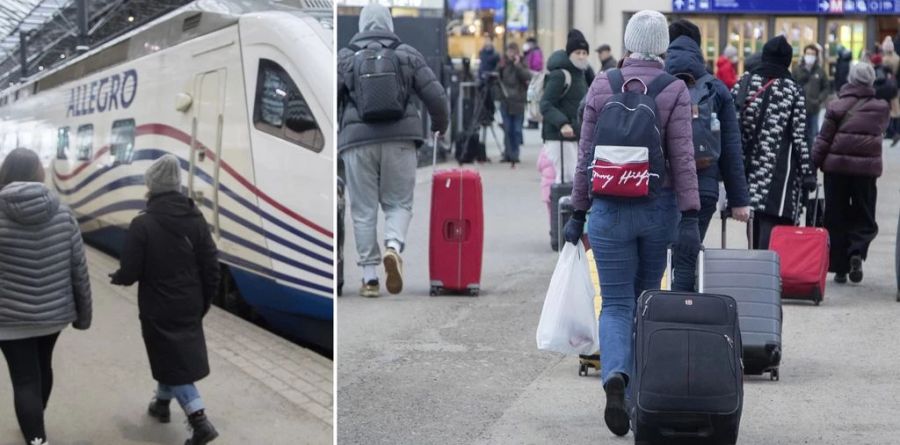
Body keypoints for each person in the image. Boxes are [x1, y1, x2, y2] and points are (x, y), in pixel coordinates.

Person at [563, 10, 700, 437]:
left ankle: (614, 377)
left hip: (607, 211)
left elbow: (586, 157)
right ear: (662, 46)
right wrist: (691, 214)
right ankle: (638, 393)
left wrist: (577, 212)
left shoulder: (602, 84)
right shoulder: (675, 89)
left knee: (617, 303)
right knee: (645, 300)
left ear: (627, 42)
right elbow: (683, 159)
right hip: (657, 211)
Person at [337, 4, 449, 297]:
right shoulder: (406, 55)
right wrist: (440, 125)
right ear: (390, 25)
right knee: (399, 203)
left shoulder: (346, 59)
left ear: (361, 26)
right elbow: (436, 96)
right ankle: (393, 246)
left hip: (357, 143)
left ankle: (370, 278)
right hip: (401, 139)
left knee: (362, 210)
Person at [110, 154, 219, 445]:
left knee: (172, 360)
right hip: (189, 302)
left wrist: (118, 277)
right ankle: (161, 404)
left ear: (151, 187)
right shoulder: (197, 220)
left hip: (158, 306)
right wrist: (203, 301)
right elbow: (211, 267)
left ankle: (199, 421)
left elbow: (131, 271)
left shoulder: (142, 224)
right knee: (171, 356)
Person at [0, 148, 91, 445]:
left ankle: (36, 436)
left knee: (25, 379)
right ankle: (35, 422)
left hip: (8, 318)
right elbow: (79, 269)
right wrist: (83, 316)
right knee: (43, 368)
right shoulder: (64, 215)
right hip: (52, 316)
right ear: (39, 172)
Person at [665, 20, 750, 291]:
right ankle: (684, 306)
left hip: (661, 185)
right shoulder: (716, 88)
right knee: (687, 254)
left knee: (658, 254)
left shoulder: (655, 81)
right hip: (704, 185)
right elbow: (731, 149)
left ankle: (652, 315)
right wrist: (739, 200)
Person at [733, 35, 815, 249]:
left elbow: (730, 125)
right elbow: (800, 137)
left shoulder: (745, 82)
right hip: (781, 177)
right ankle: (769, 273)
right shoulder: (792, 90)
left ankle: (756, 268)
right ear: (788, 60)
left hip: (747, 170)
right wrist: (808, 172)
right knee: (775, 234)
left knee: (754, 224)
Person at [813, 63, 889, 284]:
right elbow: (882, 127)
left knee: (835, 215)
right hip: (865, 171)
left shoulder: (836, 105)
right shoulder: (881, 107)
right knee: (864, 213)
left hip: (835, 169)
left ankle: (840, 268)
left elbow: (824, 138)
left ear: (851, 79)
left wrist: (813, 163)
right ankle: (856, 252)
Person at [539, 29, 590, 185]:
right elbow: (545, 103)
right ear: (569, 54)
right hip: (560, 137)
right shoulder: (561, 75)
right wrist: (562, 123)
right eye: (577, 52)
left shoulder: (582, 74)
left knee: (572, 180)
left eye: (584, 52)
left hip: (575, 135)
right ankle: (560, 209)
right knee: (567, 181)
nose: (581, 56)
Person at [495, 42, 532, 166]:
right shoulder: (502, 64)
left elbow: (527, 76)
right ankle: (508, 154)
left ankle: (515, 154)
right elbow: (496, 79)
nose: (511, 54)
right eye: (509, 51)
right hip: (505, 101)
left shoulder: (521, 63)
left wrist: (518, 65)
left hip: (518, 102)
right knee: (507, 129)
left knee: (516, 130)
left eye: (513, 51)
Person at [792, 44, 830, 150]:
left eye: (813, 54)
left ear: (816, 56)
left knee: (812, 135)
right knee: (800, 135)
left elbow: (826, 88)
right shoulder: (797, 70)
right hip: (799, 109)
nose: (810, 56)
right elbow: (791, 85)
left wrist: (819, 99)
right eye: (808, 53)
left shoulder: (820, 71)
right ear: (804, 55)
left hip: (814, 108)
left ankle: (810, 159)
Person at [882, 37, 900, 146]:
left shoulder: (884, 59)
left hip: (886, 87)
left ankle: (890, 131)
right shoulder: (898, 58)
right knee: (896, 109)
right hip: (896, 86)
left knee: (889, 108)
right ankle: (896, 131)